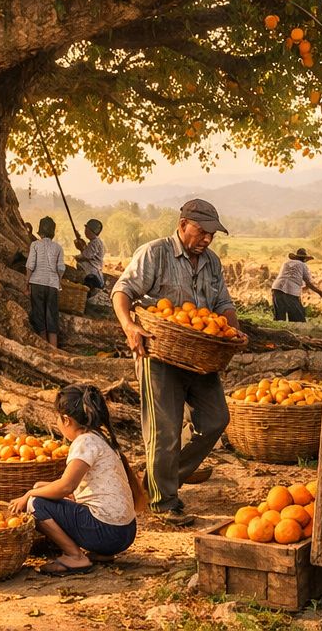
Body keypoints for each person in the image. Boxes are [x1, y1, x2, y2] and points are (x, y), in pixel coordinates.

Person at [112, 199, 239, 526]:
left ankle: (157, 481)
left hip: (200, 354)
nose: (207, 239)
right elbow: (122, 291)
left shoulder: (212, 263)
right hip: (160, 353)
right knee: (164, 429)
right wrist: (129, 326)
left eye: (212, 234)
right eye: (202, 231)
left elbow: (223, 302)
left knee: (215, 419)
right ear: (183, 225)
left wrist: (231, 330)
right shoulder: (155, 253)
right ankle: (163, 500)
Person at [10, 384, 143, 574]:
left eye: (58, 418)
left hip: (107, 532)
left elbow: (66, 486)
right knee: (41, 487)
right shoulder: (99, 437)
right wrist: (38, 487)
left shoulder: (84, 442)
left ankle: (74, 556)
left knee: (35, 503)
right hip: (125, 532)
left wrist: (29, 493)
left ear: (66, 420)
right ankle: (102, 553)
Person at [26, 216, 65, 347]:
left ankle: (44, 347)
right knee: (52, 315)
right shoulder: (58, 248)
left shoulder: (35, 245)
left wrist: (27, 282)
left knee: (38, 315)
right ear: (52, 233)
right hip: (52, 285)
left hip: (37, 283)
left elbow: (30, 265)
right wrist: (58, 281)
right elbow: (60, 268)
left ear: (40, 232)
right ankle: (54, 348)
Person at [271, 248, 322, 322]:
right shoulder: (303, 265)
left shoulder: (286, 263)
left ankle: (278, 329)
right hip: (291, 290)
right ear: (304, 259)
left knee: (279, 315)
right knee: (298, 318)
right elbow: (308, 283)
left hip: (276, 287)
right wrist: (320, 292)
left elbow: (288, 277)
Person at [75, 219, 108, 308]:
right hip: (91, 273)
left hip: (92, 275)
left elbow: (87, 255)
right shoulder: (94, 242)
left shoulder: (95, 242)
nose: (85, 231)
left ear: (90, 231)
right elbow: (86, 250)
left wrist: (77, 257)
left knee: (87, 293)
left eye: (87, 229)